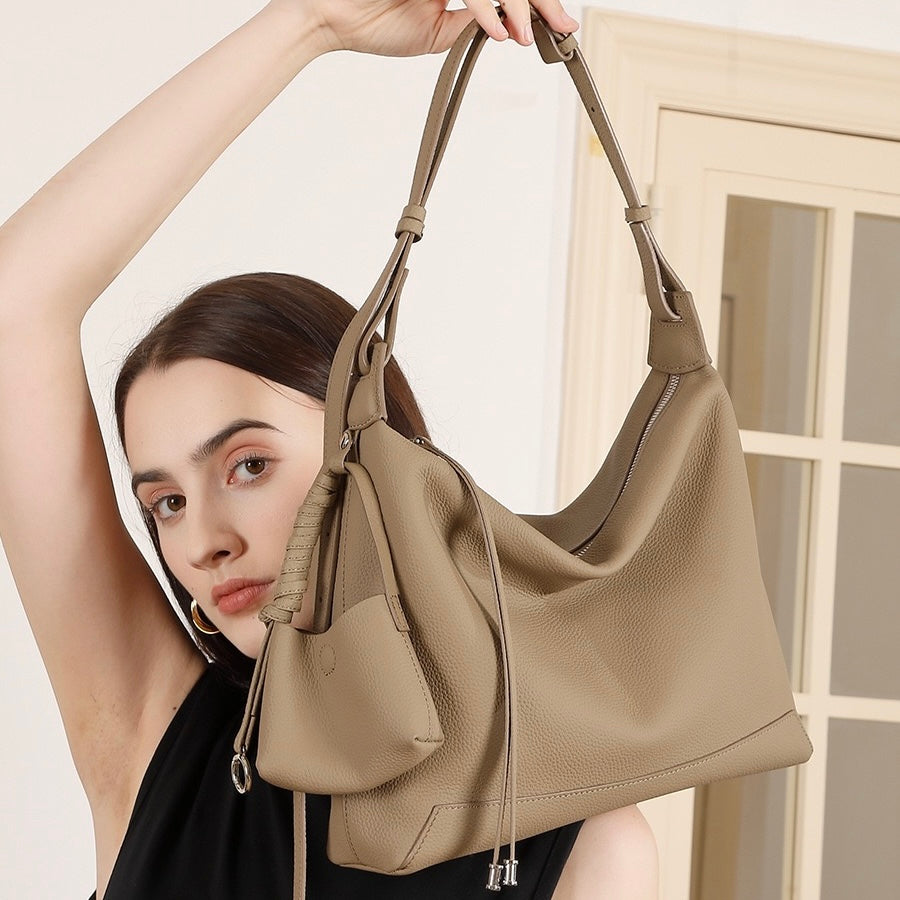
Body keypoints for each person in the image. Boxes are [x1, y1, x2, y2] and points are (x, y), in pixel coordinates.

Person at [0, 1, 660, 898]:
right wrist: (308, 22)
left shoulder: (582, 842)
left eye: (248, 465)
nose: (204, 541)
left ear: (376, 458)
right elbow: (15, 301)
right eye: (167, 502)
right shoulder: (154, 737)